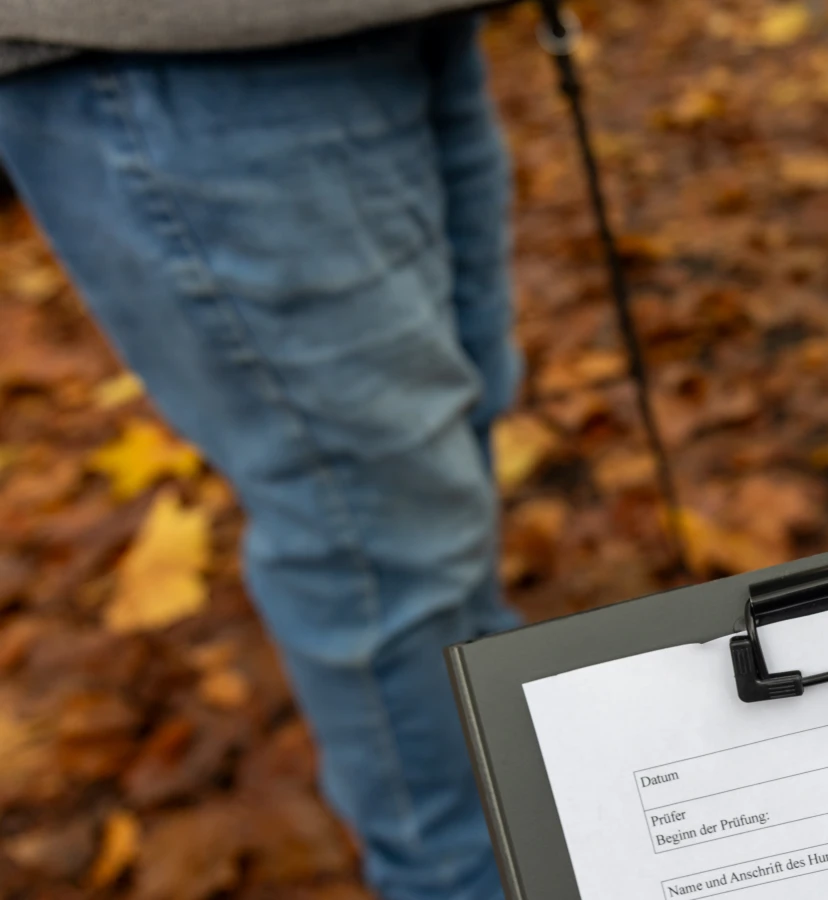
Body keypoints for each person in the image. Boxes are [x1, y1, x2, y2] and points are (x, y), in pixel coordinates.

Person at [0, 6, 523, 899]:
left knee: (460, 437)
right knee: (376, 529)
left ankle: (515, 788)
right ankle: (459, 872)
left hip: (405, 20)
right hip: (176, 45)